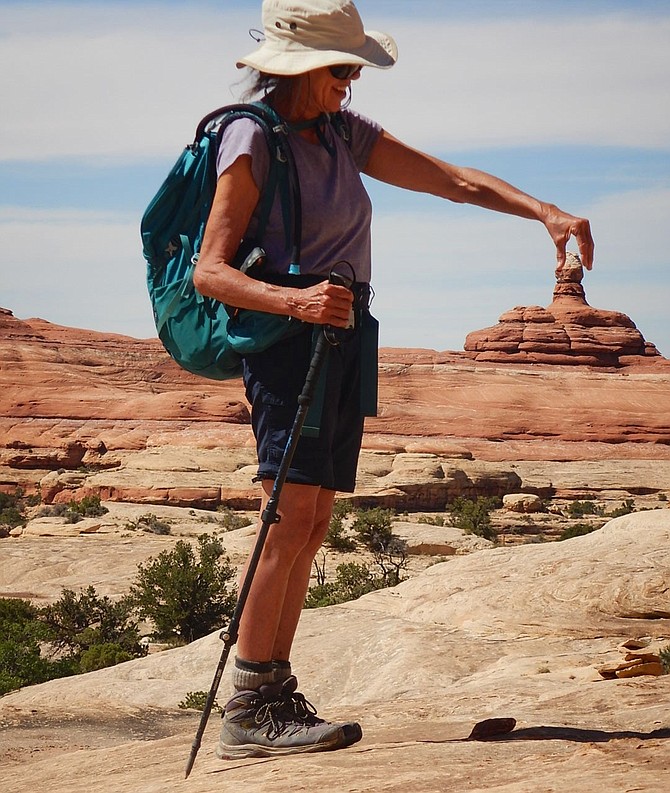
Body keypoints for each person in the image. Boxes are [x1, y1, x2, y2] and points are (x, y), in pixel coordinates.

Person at [193, 0, 594, 761]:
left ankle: (273, 690)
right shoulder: (252, 136)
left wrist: (543, 211)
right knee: (285, 515)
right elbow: (208, 271)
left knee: (313, 518)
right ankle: (249, 703)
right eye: (342, 69)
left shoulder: (342, 131)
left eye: (353, 69)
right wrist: (296, 299)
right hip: (291, 338)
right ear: (302, 67)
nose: (351, 82)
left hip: (345, 331)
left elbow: (453, 181)